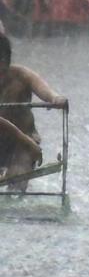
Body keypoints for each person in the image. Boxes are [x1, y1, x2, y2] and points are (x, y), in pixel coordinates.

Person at [0, 33, 67, 189]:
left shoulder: (21, 75)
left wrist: (54, 98)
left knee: (17, 178)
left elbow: (43, 88)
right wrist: (29, 143)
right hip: (22, 141)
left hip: (21, 144)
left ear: (6, 62)